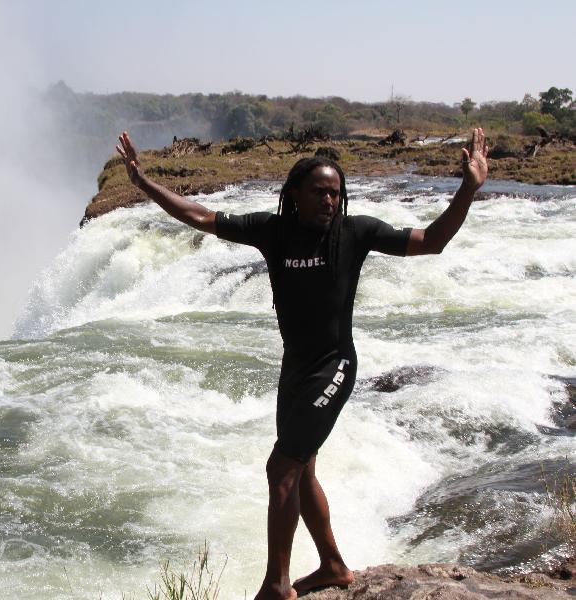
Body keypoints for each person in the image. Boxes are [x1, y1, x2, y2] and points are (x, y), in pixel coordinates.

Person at [116, 129, 489, 600]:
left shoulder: (356, 233)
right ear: (295, 194)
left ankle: (276, 585)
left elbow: (432, 240)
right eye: (319, 192)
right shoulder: (272, 231)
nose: (329, 200)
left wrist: (468, 188)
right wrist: (143, 181)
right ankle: (333, 566)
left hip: (334, 367)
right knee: (303, 468)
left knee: (282, 468)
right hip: (295, 369)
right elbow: (198, 215)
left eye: (335, 193)